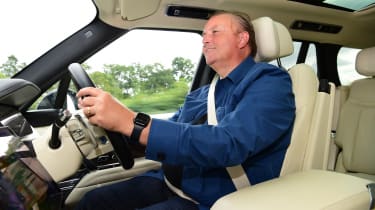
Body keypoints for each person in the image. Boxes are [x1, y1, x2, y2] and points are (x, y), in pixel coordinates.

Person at [75, 11, 295, 210]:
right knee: (92, 201)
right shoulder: (202, 93)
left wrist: (131, 121)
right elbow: (169, 130)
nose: (205, 39)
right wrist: (116, 124)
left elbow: (230, 144)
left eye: (215, 32)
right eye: (204, 34)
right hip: (169, 181)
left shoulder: (269, 81)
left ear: (242, 38)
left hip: (213, 199)